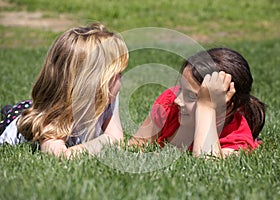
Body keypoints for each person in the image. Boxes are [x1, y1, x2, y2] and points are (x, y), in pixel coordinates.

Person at [0, 22, 129, 158]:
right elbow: (58, 155)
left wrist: (108, 140)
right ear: (96, 84)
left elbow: (116, 139)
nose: (121, 80)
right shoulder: (53, 118)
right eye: (117, 74)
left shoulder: (107, 98)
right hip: (21, 120)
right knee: (22, 113)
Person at [130, 47, 266, 158]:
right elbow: (136, 145)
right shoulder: (170, 102)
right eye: (181, 90)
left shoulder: (236, 139)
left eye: (191, 96)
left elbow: (208, 163)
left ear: (227, 106)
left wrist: (206, 108)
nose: (178, 100)